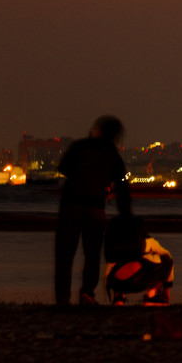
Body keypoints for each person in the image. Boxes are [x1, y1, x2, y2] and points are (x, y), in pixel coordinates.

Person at [55, 115, 133, 306]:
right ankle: (87, 294)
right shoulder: (112, 154)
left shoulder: (80, 146)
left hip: (70, 204)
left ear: (98, 131)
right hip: (95, 207)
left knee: (65, 254)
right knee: (92, 254)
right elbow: (122, 187)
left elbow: (64, 168)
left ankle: (63, 298)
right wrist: (126, 215)